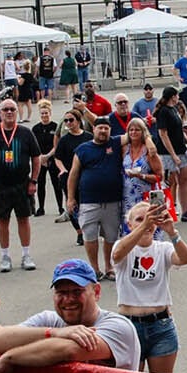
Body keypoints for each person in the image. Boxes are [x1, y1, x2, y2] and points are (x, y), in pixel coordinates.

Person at [0, 258, 143, 373]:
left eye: (77, 291)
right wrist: (54, 332)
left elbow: (69, 350)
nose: (68, 299)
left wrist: (9, 357)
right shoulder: (49, 320)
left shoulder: (118, 326)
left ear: (96, 292)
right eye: (61, 292)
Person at [112, 201, 187, 373]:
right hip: (130, 325)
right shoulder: (122, 246)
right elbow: (117, 255)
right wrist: (145, 225)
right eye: (139, 219)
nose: (146, 224)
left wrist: (172, 232)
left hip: (161, 325)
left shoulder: (163, 248)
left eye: (150, 219)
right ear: (129, 225)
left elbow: (185, 259)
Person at [0, 97, 42, 272]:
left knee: (24, 218)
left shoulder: (25, 133)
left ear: (16, 112)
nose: (9, 112)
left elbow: (36, 158)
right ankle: (5, 256)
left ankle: (26, 254)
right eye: (5, 109)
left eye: (12, 109)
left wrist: (34, 180)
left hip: (22, 184)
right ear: (0, 112)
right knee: (2, 220)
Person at [67, 116, 125, 279]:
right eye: (100, 128)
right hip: (89, 201)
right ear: (93, 129)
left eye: (106, 128)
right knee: (90, 235)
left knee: (111, 236)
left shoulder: (115, 142)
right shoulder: (83, 149)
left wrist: (148, 140)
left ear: (110, 130)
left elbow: (137, 131)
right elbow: (73, 174)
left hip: (113, 201)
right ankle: (94, 269)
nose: (103, 131)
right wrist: (71, 198)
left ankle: (109, 267)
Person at [152, 86, 187, 223]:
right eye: (177, 95)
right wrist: (173, 155)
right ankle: (163, 212)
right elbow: (163, 134)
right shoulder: (163, 112)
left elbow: (178, 128)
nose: (178, 98)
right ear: (173, 96)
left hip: (180, 150)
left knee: (184, 179)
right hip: (167, 153)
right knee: (168, 182)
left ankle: (185, 211)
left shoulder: (175, 110)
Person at [119, 116, 165, 228]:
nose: (134, 132)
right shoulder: (125, 149)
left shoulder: (149, 151)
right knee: (129, 231)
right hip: (127, 198)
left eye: (137, 130)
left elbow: (160, 177)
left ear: (143, 132)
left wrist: (141, 176)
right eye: (131, 130)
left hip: (145, 197)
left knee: (147, 228)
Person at [51, 110, 90, 228]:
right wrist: (62, 169)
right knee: (72, 204)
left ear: (78, 121)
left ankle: (87, 228)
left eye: (71, 120)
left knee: (87, 204)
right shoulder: (64, 140)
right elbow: (57, 158)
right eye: (66, 121)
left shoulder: (88, 137)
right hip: (69, 176)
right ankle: (78, 231)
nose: (68, 123)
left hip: (86, 175)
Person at [31, 100, 61, 218]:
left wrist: (48, 156)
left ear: (50, 113)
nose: (44, 115)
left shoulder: (55, 127)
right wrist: (40, 158)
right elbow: (33, 145)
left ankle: (60, 206)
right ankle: (41, 207)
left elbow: (57, 145)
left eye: (46, 113)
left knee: (56, 184)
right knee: (41, 184)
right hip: (40, 160)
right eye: (42, 113)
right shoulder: (35, 129)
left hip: (53, 159)